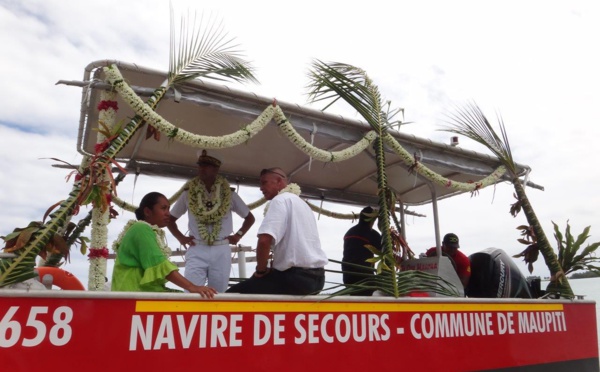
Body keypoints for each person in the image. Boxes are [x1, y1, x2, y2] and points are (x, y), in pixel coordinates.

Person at [226, 168, 328, 295]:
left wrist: (261, 270)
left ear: (279, 181)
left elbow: (264, 241)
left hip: (295, 278)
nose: (260, 188)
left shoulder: (280, 200)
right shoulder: (303, 204)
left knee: (232, 294)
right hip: (318, 279)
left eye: (264, 183)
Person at [168, 150, 255, 293]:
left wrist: (238, 235)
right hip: (197, 247)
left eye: (206, 165)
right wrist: (180, 237)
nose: (201, 168)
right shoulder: (188, 193)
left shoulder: (229, 194)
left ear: (216, 169)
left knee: (219, 293)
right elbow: (170, 219)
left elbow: (249, 218)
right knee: (191, 293)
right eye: (200, 165)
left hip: (221, 248)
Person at [111, 192, 216, 298]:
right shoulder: (141, 229)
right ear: (147, 211)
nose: (168, 213)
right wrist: (192, 287)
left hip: (139, 293)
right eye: (163, 208)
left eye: (168, 209)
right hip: (132, 294)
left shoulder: (147, 230)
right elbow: (159, 263)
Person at [341, 206, 381, 296]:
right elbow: (383, 251)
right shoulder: (371, 233)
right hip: (364, 277)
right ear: (372, 220)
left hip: (347, 276)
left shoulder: (349, 232)